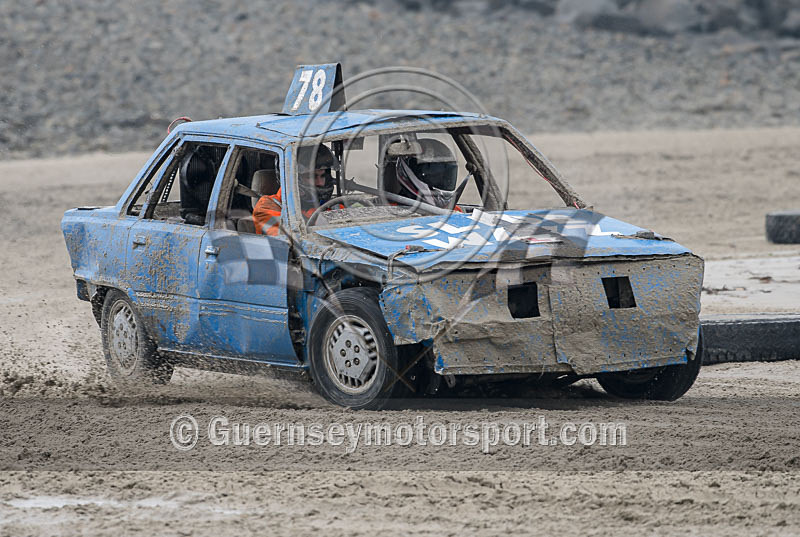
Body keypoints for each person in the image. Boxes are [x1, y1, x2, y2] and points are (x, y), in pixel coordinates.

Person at [253, 144, 337, 236]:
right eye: (312, 176)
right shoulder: (266, 208)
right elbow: (286, 239)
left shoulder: (333, 205)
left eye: (323, 176)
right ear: (293, 177)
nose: (320, 183)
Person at [384, 138, 463, 211]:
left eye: (446, 176)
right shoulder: (388, 212)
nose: (443, 181)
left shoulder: (456, 211)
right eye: (434, 176)